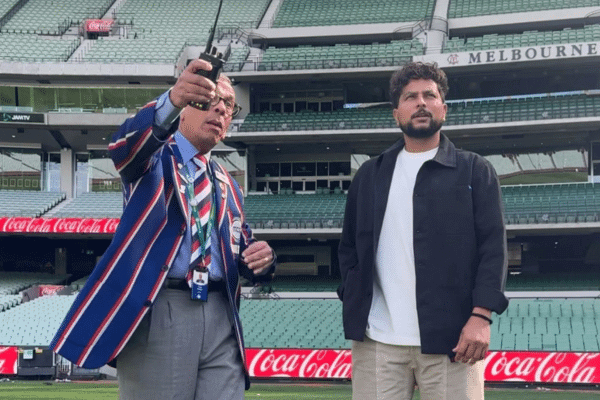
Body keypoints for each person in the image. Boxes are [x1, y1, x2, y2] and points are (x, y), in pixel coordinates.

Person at [50, 59, 276, 400]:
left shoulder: (229, 184)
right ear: (184, 110)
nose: (220, 109)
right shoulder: (151, 159)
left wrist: (261, 259)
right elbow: (123, 144)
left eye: (229, 104)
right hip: (160, 307)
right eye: (209, 99)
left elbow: (238, 246)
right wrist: (171, 99)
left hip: (221, 312)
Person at [337, 62, 508, 400]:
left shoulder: (475, 170)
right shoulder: (370, 175)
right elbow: (349, 249)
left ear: (443, 107)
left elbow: (494, 248)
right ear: (396, 111)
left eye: (430, 95)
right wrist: (353, 297)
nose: (421, 103)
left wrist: (481, 315)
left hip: (453, 341)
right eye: (410, 97)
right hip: (377, 343)